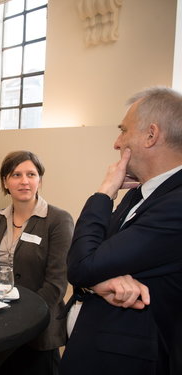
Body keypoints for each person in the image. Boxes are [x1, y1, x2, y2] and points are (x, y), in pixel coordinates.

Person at [60, 87, 182, 375]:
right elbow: (86, 258)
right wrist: (97, 282)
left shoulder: (176, 205)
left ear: (151, 135)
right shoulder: (139, 193)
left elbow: (81, 264)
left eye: (123, 131)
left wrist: (104, 192)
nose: (117, 143)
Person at [0, 150, 74, 375]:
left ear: (40, 180)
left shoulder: (58, 220)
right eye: (16, 175)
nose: (24, 181)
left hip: (38, 328)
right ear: (5, 182)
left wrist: (24, 317)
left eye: (31, 174)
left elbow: (57, 284)